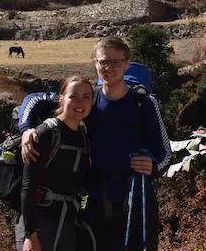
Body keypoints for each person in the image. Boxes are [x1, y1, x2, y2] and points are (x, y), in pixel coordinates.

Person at [22, 37, 172, 251]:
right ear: (95, 64)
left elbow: (166, 153)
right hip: (95, 202)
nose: (109, 68)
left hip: (136, 200)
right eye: (103, 62)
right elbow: (34, 99)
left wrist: (154, 166)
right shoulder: (87, 100)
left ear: (127, 63)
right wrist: (26, 129)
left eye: (116, 62)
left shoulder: (144, 103)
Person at [16, 75, 93, 251]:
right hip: (39, 224)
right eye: (73, 96)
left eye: (86, 97)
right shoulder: (44, 134)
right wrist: (30, 236)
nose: (80, 102)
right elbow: (27, 187)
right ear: (61, 98)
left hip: (66, 224)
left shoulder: (83, 137)